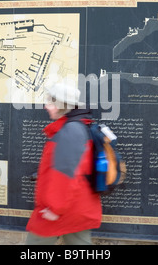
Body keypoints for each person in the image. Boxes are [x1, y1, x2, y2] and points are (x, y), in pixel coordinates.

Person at [25, 83, 102, 245]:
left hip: (61, 209)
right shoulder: (77, 127)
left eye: (51, 103)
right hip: (79, 206)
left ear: (62, 106)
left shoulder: (71, 131)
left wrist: (55, 208)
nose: (46, 106)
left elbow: (64, 173)